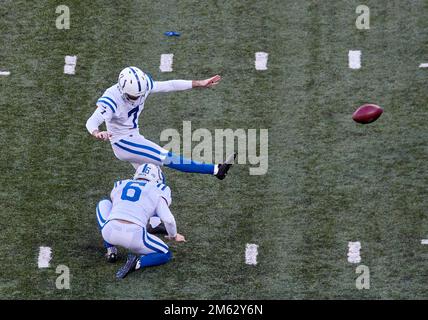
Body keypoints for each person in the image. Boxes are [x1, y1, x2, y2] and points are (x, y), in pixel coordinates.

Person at [86, 66, 235, 180]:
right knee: (165, 157)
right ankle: (216, 170)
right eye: (133, 96)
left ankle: (152, 220)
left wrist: (200, 83)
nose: (138, 98)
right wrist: (97, 133)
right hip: (122, 142)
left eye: (140, 95)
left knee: (156, 180)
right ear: (123, 91)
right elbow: (92, 121)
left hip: (134, 136)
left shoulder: (143, 86)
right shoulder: (112, 98)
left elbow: (169, 85)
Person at [95, 163, 185, 279]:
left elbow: (117, 203)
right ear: (157, 178)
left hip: (109, 232)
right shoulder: (159, 190)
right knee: (165, 254)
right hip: (134, 236)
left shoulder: (120, 184)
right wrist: (173, 235)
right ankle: (137, 263)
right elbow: (168, 220)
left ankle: (111, 249)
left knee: (104, 203)